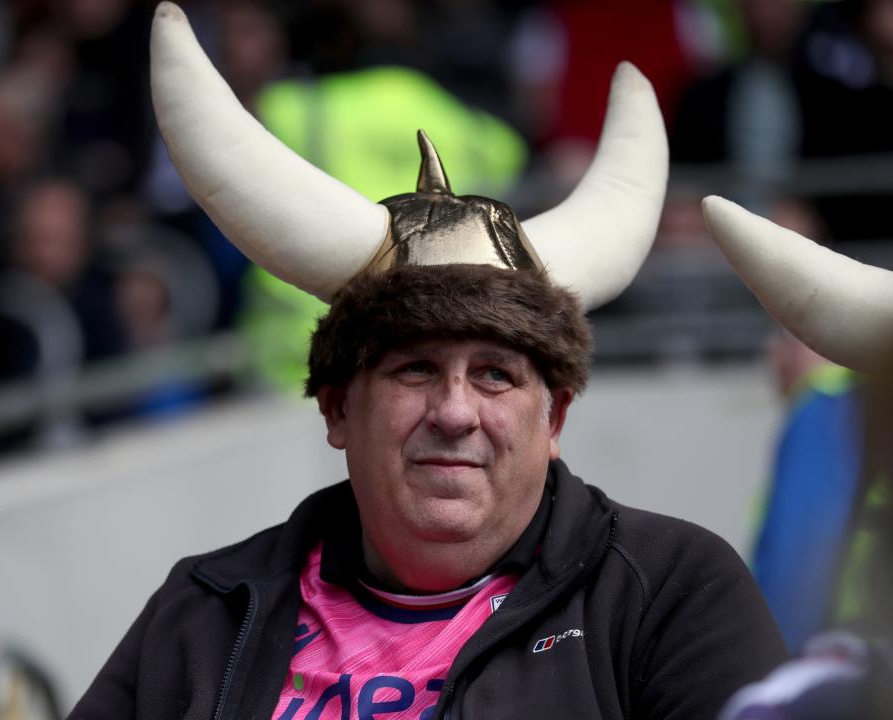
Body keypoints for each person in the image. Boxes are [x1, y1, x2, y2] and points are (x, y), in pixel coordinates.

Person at [67, 5, 787, 719]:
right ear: (338, 406)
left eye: (496, 374)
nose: (454, 412)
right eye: (414, 369)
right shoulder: (207, 609)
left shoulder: (667, 591)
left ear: (555, 414)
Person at [702, 195, 893, 718]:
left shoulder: (828, 408)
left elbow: (802, 559)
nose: (772, 353)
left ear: (822, 338)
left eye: (784, 334)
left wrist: (778, 672)